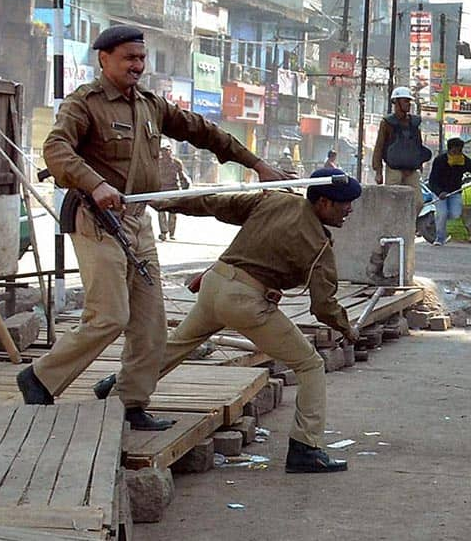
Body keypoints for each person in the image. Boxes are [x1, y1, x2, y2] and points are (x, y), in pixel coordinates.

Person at [15, 24, 291, 431]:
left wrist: (256, 164)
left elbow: (203, 131)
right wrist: (96, 182)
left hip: (138, 222)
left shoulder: (150, 105)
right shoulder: (84, 104)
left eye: (141, 59)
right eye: (129, 58)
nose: (137, 66)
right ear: (104, 59)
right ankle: (40, 377)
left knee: (151, 324)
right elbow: (56, 149)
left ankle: (130, 402)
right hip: (96, 219)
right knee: (109, 315)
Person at [98, 168, 361, 472]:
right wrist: (347, 328)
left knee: (178, 344)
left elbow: (215, 204)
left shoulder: (274, 201)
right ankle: (306, 448)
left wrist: (167, 202)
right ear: (324, 202)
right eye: (345, 204)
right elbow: (323, 306)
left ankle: (121, 386)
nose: (349, 210)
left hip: (215, 283)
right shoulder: (319, 245)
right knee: (310, 365)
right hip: (245, 301)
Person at [372, 86, 432, 211]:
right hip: (394, 169)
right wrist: (378, 171)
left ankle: (409, 226)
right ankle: (392, 228)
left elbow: (417, 144)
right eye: (405, 101)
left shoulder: (414, 123)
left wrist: (419, 163)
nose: (408, 104)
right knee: (392, 203)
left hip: (411, 171)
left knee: (418, 202)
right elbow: (379, 147)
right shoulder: (387, 123)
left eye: (409, 101)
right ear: (396, 102)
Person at [427, 137, 471, 246]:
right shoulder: (440, 160)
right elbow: (432, 180)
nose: (457, 154)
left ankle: (438, 221)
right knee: (442, 214)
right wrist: (439, 192)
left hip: (455, 192)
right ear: (449, 150)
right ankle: (440, 238)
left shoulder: (464, 160)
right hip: (440, 193)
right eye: (454, 151)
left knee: (455, 214)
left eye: (460, 151)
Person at [157, 139, 190, 241]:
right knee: (161, 211)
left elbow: (182, 176)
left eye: (166, 150)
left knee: (173, 212)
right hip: (161, 189)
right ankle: (163, 232)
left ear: (170, 151)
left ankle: (172, 233)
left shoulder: (176, 163)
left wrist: (185, 187)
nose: (164, 153)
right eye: (162, 150)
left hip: (173, 189)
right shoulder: (157, 163)